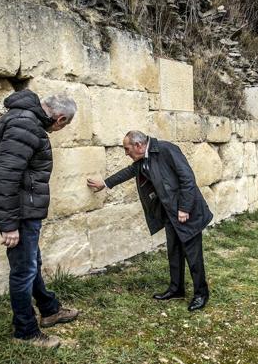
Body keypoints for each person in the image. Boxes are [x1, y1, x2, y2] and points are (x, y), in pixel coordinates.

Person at [0, 89, 79, 348]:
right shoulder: (26, 125)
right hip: (19, 212)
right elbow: (4, 176)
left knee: (31, 261)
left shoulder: (25, 120)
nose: (61, 129)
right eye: (65, 125)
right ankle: (25, 332)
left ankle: (49, 309)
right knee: (24, 270)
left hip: (23, 209)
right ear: (59, 119)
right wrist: (9, 225)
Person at [87, 131, 212, 311]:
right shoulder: (143, 158)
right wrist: (105, 183)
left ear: (138, 145)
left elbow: (188, 179)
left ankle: (201, 294)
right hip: (170, 214)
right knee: (174, 253)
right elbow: (129, 171)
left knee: (193, 257)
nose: (126, 153)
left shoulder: (167, 150)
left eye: (127, 149)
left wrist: (184, 208)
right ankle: (176, 289)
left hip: (187, 213)